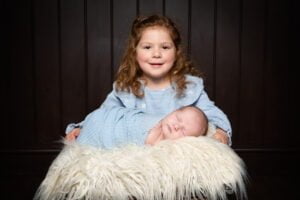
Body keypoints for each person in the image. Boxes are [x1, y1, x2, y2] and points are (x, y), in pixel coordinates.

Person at [66, 14, 232, 145]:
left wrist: (222, 132)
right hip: (136, 149)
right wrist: (81, 127)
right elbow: (105, 116)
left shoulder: (189, 87)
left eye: (165, 47)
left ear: (176, 52)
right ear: (135, 52)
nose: (156, 54)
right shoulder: (127, 88)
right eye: (147, 47)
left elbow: (213, 114)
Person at [75, 105, 208, 149]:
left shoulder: (167, 149)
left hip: (113, 140)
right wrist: (79, 126)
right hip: (109, 119)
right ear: (173, 111)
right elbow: (117, 112)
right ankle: (82, 130)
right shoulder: (156, 121)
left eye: (183, 131)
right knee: (93, 125)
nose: (176, 126)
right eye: (178, 118)